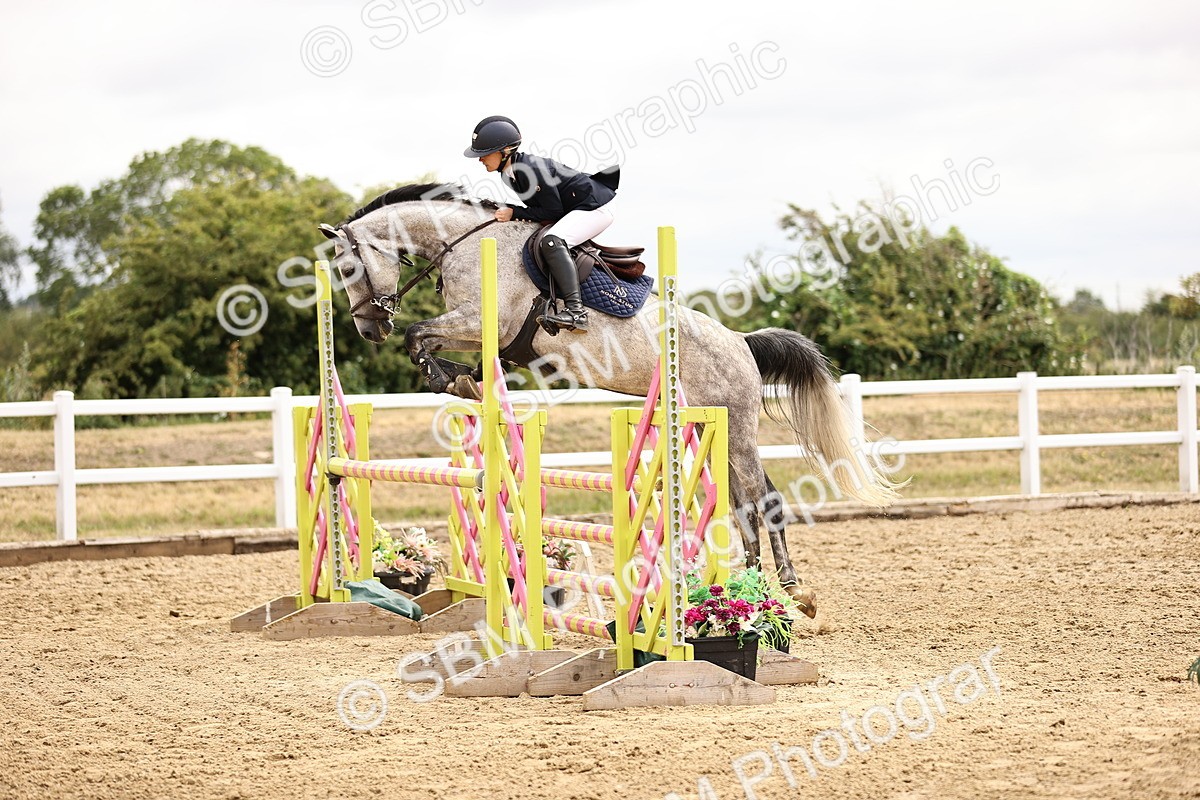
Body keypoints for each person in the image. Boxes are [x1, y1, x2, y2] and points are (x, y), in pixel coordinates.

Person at [464, 115, 619, 333]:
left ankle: (577, 312)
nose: (480, 159)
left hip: (595, 208)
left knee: (552, 241)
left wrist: (515, 212)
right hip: (577, 208)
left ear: (505, 151)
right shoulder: (510, 174)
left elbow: (552, 211)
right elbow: (542, 209)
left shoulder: (531, 169)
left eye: (484, 154)